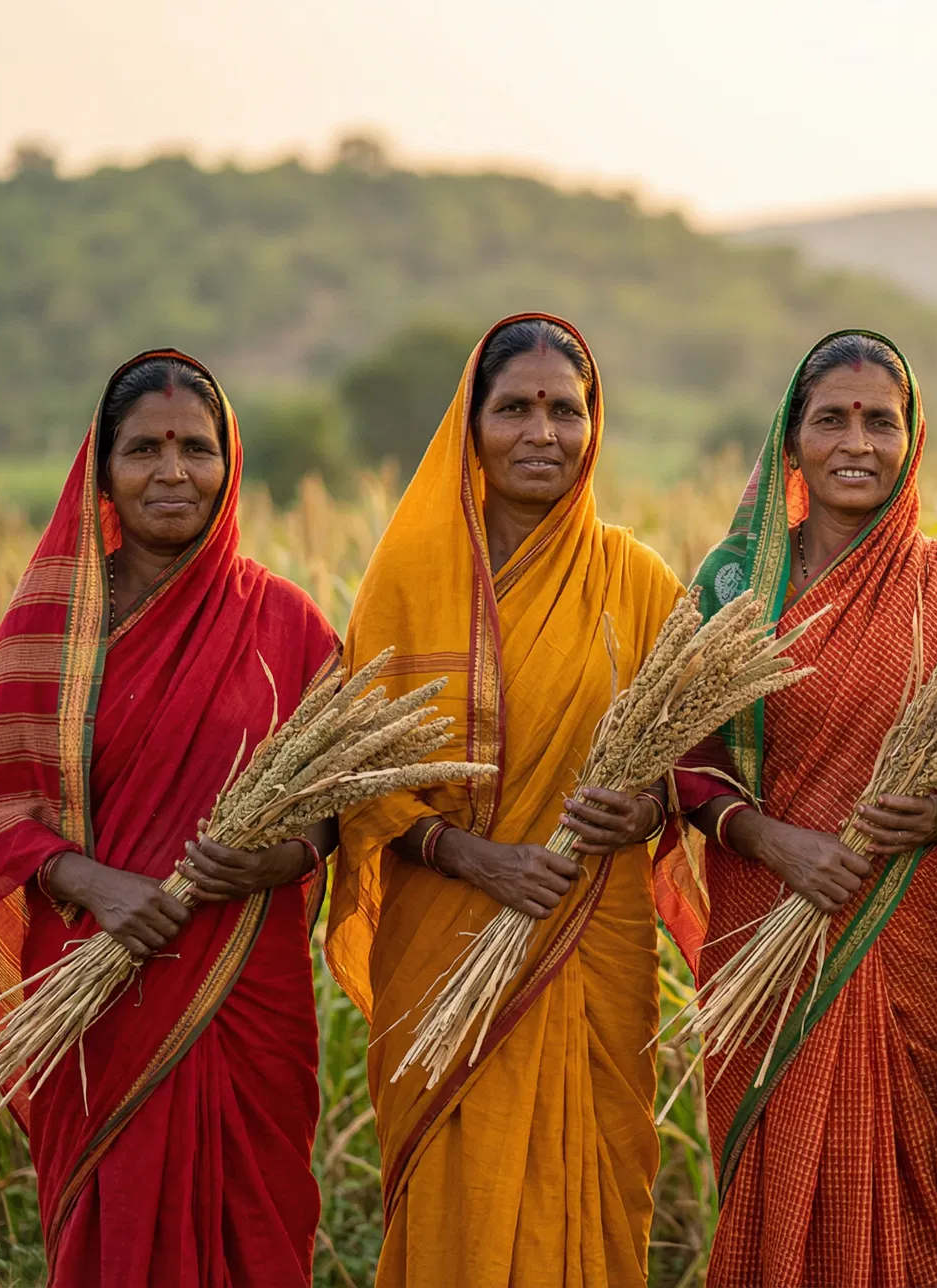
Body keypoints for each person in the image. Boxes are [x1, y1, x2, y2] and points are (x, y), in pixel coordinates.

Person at [0, 351, 341, 1285]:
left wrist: (283, 858)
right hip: (96, 982)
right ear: (102, 470)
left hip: (244, 982)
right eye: (144, 449)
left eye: (196, 448)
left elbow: (338, 803)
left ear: (229, 462)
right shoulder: (51, 627)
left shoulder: (287, 623)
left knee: (256, 1226)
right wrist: (91, 883)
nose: (172, 472)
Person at [326, 314, 684, 1288]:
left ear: (594, 425)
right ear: (470, 424)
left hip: (590, 928)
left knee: (592, 1181)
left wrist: (649, 809)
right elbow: (358, 784)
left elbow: (689, 765)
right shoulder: (408, 581)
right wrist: (475, 859)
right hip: (446, 942)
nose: (542, 432)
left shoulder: (638, 582)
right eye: (514, 407)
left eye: (566, 410)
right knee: (460, 1192)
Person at [654, 330, 937, 1288]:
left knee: (915, 1195)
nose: (858, 441)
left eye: (880, 420)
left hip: (911, 936)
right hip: (769, 929)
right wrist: (774, 840)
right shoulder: (734, 589)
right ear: (792, 442)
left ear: (912, 438)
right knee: (776, 1195)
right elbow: (678, 757)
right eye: (831, 419)